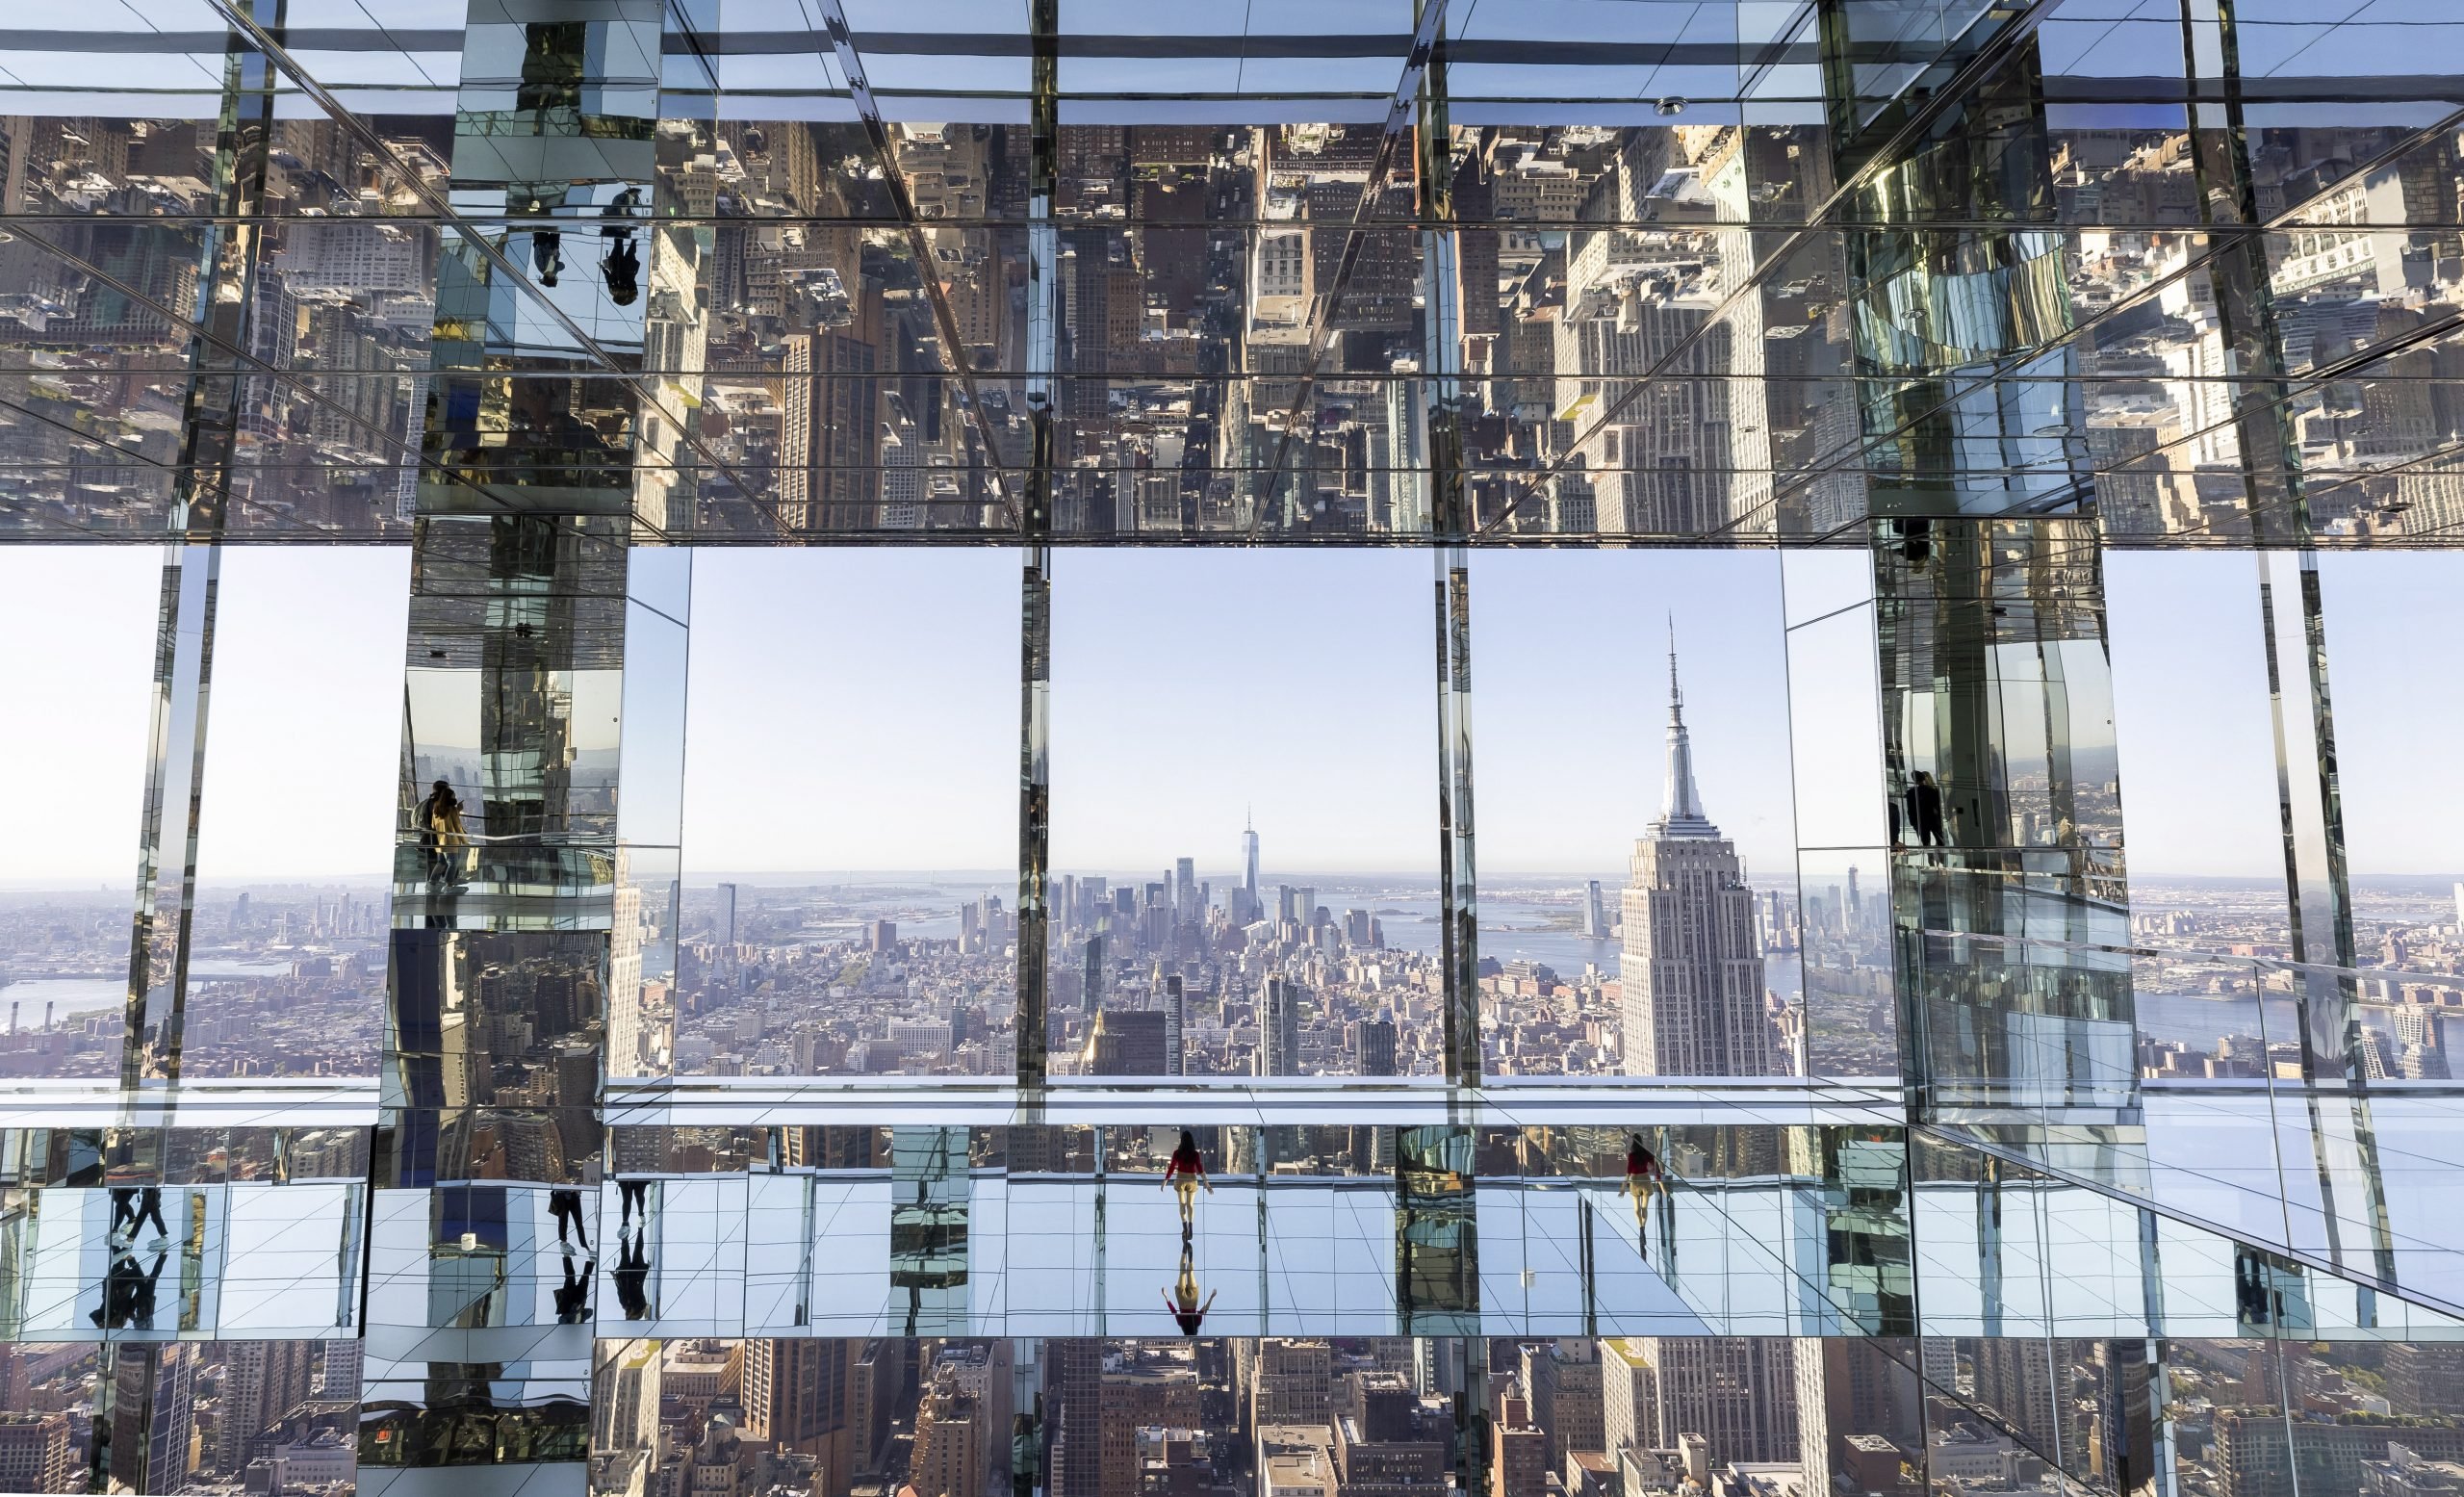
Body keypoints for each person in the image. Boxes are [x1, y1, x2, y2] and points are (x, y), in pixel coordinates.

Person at [418, 780, 469, 890]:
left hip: (439, 840)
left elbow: (433, 824)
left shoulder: (436, 808)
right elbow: (458, 827)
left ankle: (432, 882)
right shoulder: (452, 809)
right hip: (451, 841)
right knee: (453, 863)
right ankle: (449, 884)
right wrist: (465, 841)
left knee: (441, 862)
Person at [1161, 1240, 1216, 1336]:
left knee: (1190, 1272)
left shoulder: (1197, 1323)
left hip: (1193, 1300)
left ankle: (1190, 1260)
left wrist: (1211, 1297)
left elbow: (1204, 1310)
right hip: (1182, 1301)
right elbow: (1173, 1311)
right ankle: (1184, 1251)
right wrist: (1166, 1297)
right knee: (1182, 1272)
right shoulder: (1181, 1323)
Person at [1623, 1133, 1665, 1255]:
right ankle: (1644, 1227)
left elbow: (1629, 1170)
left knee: (1636, 1209)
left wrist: (1623, 1185)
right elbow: (1655, 1166)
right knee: (1644, 1207)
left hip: (1635, 1181)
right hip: (1645, 1180)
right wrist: (1658, 1177)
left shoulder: (1631, 1155)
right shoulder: (1645, 1153)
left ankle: (1641, 1228)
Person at [1162, 1129, 1211, 1234]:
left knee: (1182, 1204)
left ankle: (1184, 1225)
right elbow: (1200, 1169)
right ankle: (1191, 1226)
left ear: (1182, 1141)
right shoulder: (1195, 1154)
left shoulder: (1177, 1153)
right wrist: (1207, 1184)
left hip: (1180, 1179)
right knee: (1190, 1205)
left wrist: (1165, 1181)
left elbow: (1171, 1168)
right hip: (1192, 1180)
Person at [1906, 771, 1947, 849]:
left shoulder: (1911, 793)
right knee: (1940, 842)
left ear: (1914, 780)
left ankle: (1931, 857)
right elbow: (1938, 808)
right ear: (1924, 779)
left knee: (1926, 844)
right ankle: (1941, 857)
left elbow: (1910, 810)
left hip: (1920, 822)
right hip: (1933, 821)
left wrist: (1913, 822)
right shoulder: (1933, 791)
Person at [614, 1235, 651, 1320]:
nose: (627, 1315)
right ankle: (639, 1229)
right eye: (628, 1316)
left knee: (626, 1255)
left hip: (626, 1276)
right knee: (637, 1252)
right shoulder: (640, 1306)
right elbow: (641, 1299)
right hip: (635, 1276)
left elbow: (619, 1289)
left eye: (627, 1316)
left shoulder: (624, 1304)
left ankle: (624, 1236)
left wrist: (616, 1278)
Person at [549, 1188, 590, 1252]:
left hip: (573, 1195)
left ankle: (584, 1246)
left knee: (577, 1222)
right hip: (563, 1196)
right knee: (564, 1220)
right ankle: (564, 1242)